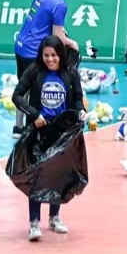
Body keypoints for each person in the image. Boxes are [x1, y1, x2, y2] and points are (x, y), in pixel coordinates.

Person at [11, 35, 86, 241]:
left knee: (59, 174)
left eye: (54, 55)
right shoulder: (34, 71)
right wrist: (34, 115)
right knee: (37, 175)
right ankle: (34, 222)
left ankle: (54, 217)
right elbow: (17, 96)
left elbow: (78, 99)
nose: (50, 59)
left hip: (62, 133)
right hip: (38, 132)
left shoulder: (71, 74)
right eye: (46, 55)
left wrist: (80, 111)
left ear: (61, 55)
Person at [12, 0, 79, 137]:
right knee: (33, 90)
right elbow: (57, 36)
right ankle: (31, 126)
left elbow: (46, 25)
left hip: (20, 45)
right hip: (33, 50)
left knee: (22, 87)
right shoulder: (60, 4)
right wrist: (73, 43)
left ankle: (17, 126)